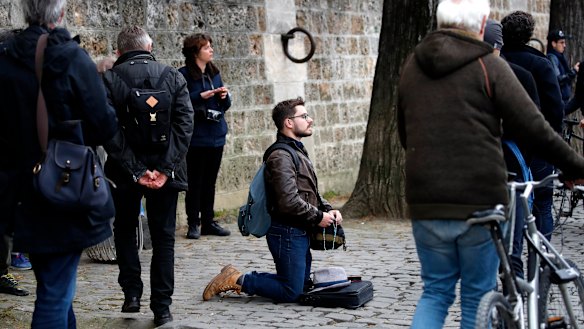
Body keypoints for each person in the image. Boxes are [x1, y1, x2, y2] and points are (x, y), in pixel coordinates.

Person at [397, 1, 584, 328]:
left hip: (426, 199)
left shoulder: (412, 66)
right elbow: (536, 128)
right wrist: (576, 166)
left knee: (436, 293)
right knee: (476, 295)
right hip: (478, 197)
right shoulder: (487, 64)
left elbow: (403, 133)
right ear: (482, 23)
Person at [0, 0, 118, 327]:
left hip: (20, 191)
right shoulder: (69, 58)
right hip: (64, 189)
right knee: (53, 293)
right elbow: (104, 126)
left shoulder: (5, 58)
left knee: (56, 284)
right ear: (61, 14)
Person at [201, 97, 343, 303]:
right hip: (287, 231)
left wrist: (328, 209)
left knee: (300, 285)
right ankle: (236, 279)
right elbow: (287, 201)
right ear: (289, 122)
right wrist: (318, 216)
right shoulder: (281, 156)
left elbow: (309, 189)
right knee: (291, 292)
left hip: (299, 228)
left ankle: (237, 276)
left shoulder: (296, 150)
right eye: (304, 116)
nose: (310, 120)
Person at [101, 26, 194, 327]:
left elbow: (109, 131)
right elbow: (185, 125)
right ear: (149, 45)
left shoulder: (110, 79)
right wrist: (165, 169)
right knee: (164, 238)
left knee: (125, 229)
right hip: (165, 172)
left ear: (118, 51)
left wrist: (136, 169)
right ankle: (162, 308)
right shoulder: (172, 75)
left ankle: (131, 293)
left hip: (123, 171)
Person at [501, 11, 566, 241]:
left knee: (507, 202)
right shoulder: (540, 63)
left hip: (502, 143)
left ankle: (512, 256)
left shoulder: (495, 60)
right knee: (542, 202)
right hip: (537, 143)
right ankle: (541, 259)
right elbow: (555, 108)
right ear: (529, 35)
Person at [484, 19, 539, 279]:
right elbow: (535, 126)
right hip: (510, 169)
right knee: (512, 247)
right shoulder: (523, 75)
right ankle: (510, 303)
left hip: (485, 170)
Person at [179, 33, 232, 239]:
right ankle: (194, 222)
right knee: (194, 182)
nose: (211, 50)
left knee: (210, 182)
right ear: (195, 52)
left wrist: (224, 97)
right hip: (196, 137)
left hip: (216, 134)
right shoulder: (183, 75)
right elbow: (179, 103)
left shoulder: (214, 73)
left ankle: (208, 222)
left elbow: (225, 106)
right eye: (206, 47)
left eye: (211, 46)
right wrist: (199, 97)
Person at [547, 29, 579, 104]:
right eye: (561, 42)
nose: (564, 46)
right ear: (553, 43)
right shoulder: (552, 57)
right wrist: (573, 72)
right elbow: (558, 79)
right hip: (557, 101)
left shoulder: (558, 57)